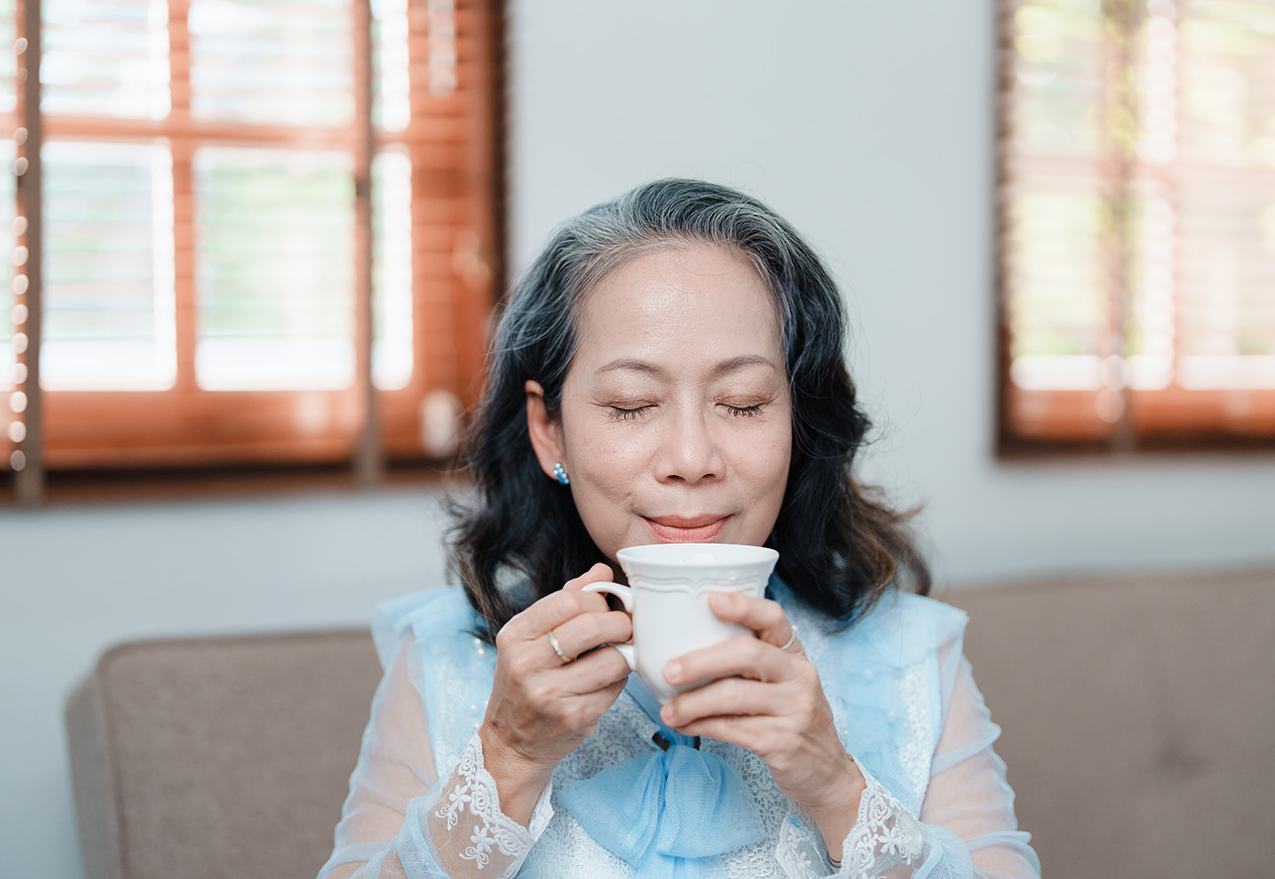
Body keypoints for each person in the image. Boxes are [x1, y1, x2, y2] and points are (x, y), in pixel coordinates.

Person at [317, 179, 1042, 879]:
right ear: (549, 430)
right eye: (633, 405)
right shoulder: (450, 660)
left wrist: (834, 785)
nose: (692, 461)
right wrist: (506, 758)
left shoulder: (910, 660)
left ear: (799, 421)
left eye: (744, 401)